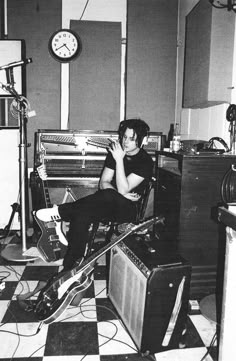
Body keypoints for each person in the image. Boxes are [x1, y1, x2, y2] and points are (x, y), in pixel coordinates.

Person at [36, 118, 153, 271]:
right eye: (124, 137)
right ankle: (71, 266)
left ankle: (60, 211)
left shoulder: (145, 161)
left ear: (143, 140)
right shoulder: (115, 154)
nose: (126, 142)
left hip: (128, 210)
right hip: (107, 203)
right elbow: (103, 183)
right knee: (83, 213)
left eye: (132, 139)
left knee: (107, 196)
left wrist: (119, 160)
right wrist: (118, 192)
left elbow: (124, 189)